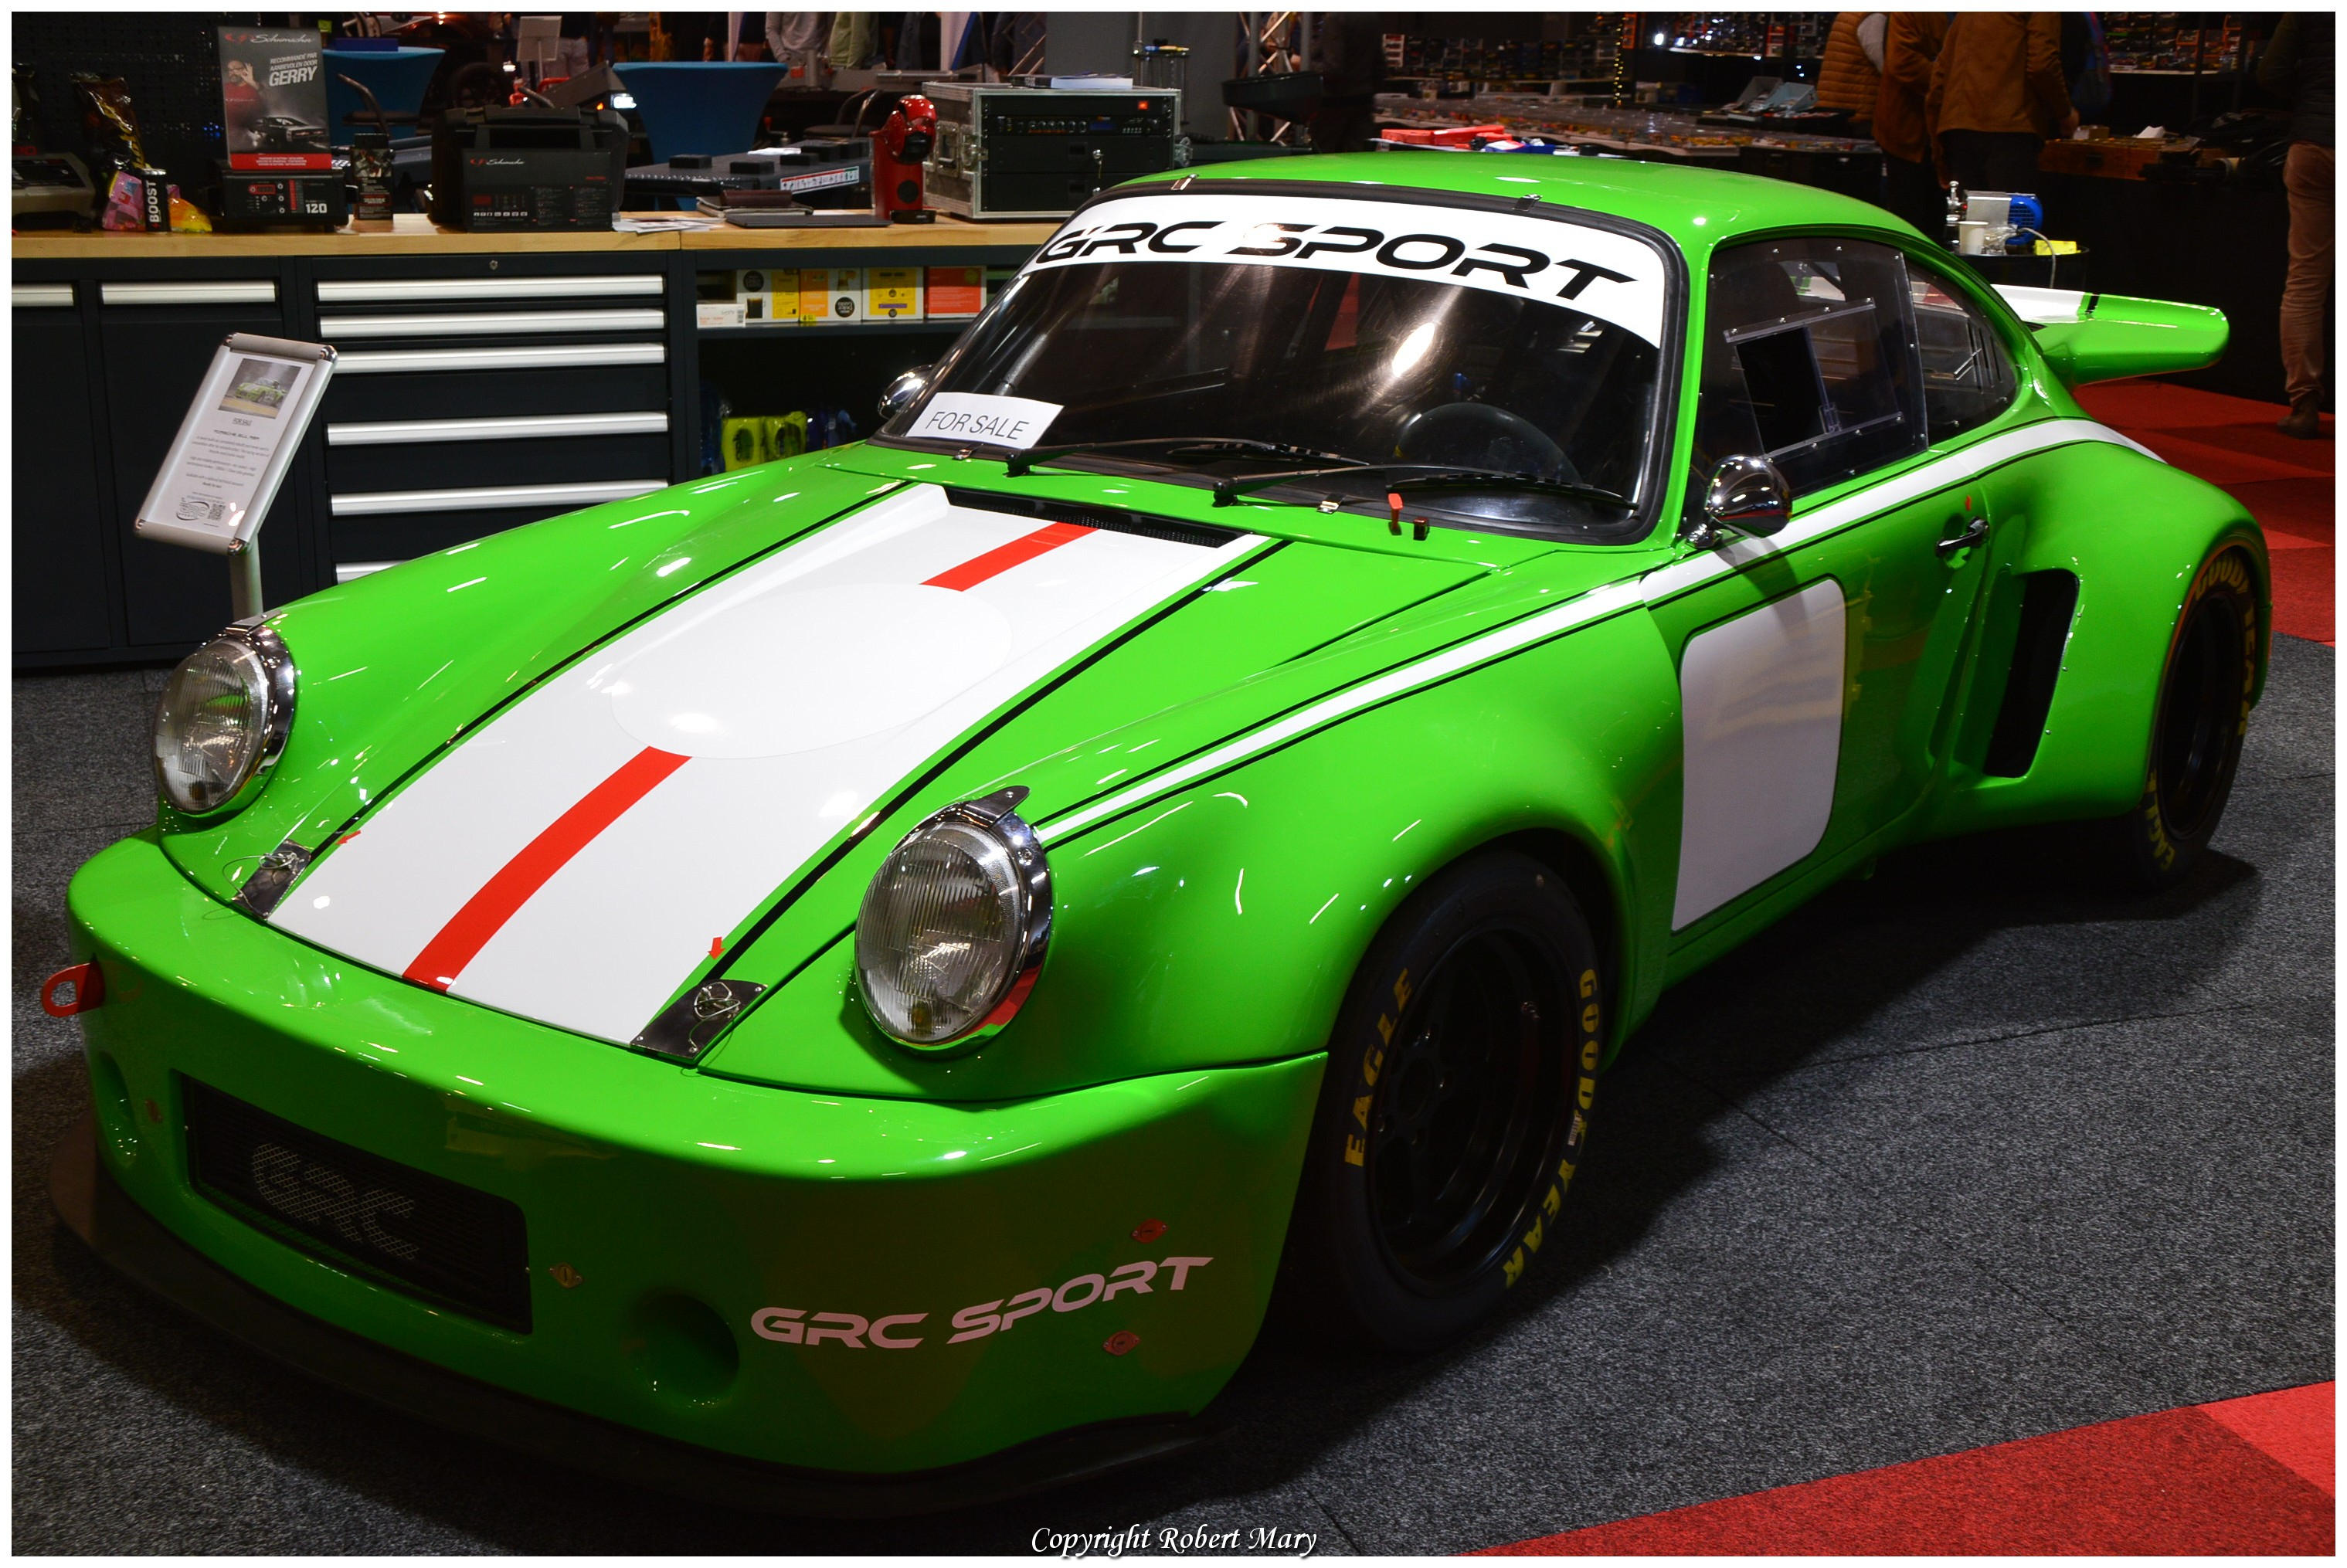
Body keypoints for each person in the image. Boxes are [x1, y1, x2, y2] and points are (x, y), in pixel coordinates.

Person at [2259, 12, 2334, 439]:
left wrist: (2313, 96)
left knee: (2305, 281)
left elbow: (2272, 70)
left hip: (2313, 142)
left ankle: (2304, 404)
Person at [1927, 12, 2076, 202]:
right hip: (2011, 130)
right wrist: (2064, 112)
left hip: (1959, 131)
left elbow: (1939, 79)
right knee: (2012, 218)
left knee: (1973, 220)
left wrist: (1939, 154)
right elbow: (2043, 65)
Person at [1874, 12, 1950, 236]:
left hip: (1937, 131)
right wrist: (1951, 81)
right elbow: (1903, 63)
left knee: (1933, 217)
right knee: (1912, 219)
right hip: (1909, 130)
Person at [1308, 12, 1383, 154]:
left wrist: (1306, 64)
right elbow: (1380, 66)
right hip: (1363, 98)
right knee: (1359, 156)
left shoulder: (1335, 19)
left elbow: (1332, 69)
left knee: (1322, 156)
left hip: (1335, 101)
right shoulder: (1371, 18)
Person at [1816, 12, 1886, 136]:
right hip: (1859, 114)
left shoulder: (1850, 13)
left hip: (1838, 110)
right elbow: (1886, 67)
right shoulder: (1874, 17)